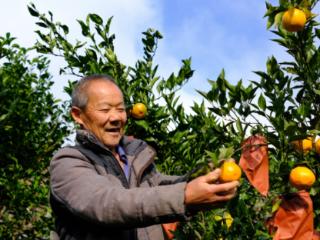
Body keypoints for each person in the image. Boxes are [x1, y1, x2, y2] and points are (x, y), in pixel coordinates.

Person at [49, 74, 239, 240]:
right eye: (105, 110)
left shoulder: (134, 155)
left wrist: (206, 173)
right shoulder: (68, 162)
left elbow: (162, 186)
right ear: (78, 115)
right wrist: (184, 196)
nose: (116, 118)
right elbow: (107, 204)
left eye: (121, 109)